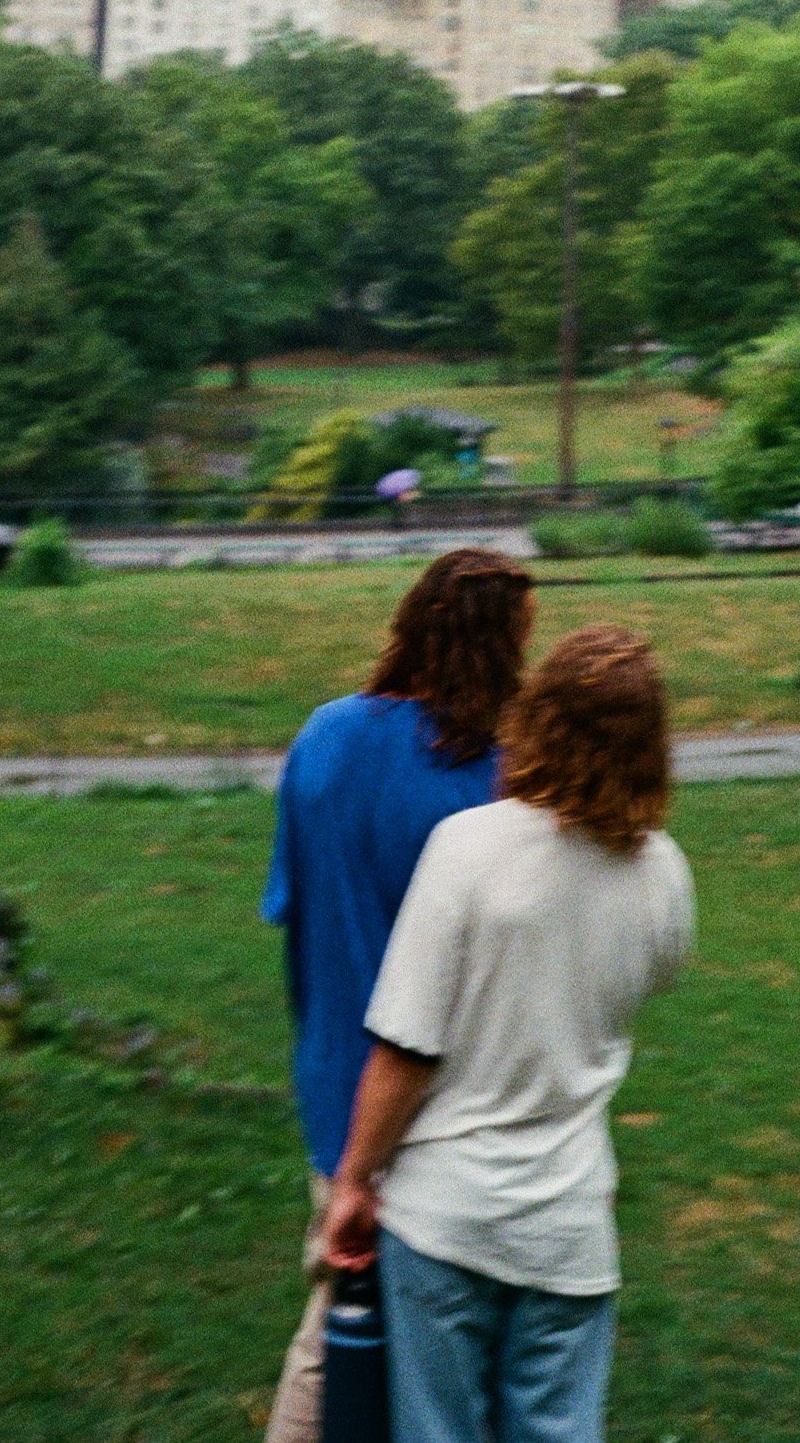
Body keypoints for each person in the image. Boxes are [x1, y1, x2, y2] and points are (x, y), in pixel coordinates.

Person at [322, 624, 695, 1443]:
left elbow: (405, 1048)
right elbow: (656, 977)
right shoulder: (663, 873)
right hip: (569, 1225)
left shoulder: (466, 849)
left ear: (539, 718)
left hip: (446, 1219)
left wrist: (353, 1183)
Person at [261, 547, 535, 1443]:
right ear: (501, 651)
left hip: (331, 1076)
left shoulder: (324, 737)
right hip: (436, 1107)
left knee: (349, 1324)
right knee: (396, 1358)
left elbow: (289, 905)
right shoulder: (495, 783)